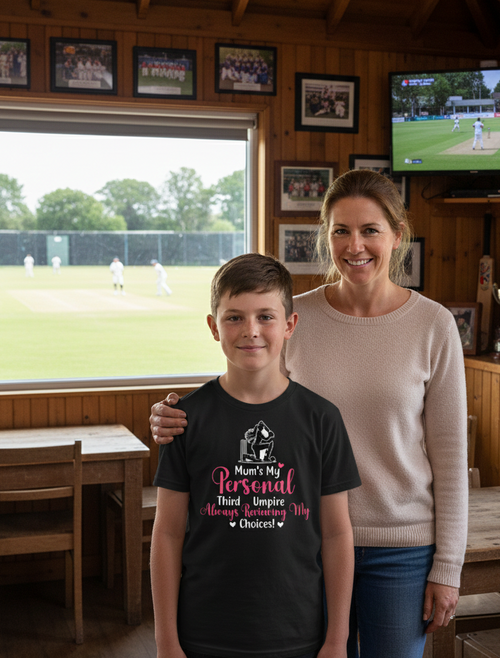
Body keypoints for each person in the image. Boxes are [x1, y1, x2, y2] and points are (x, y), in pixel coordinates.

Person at [149, 169, 468, 658]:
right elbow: (244, 388)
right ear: (326, 236)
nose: (354, 245)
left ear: (397, 236)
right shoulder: (294, 316)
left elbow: (450, 457)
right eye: (341, 230)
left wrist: (447, 565)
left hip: (401, 549)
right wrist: (172, 415)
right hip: (303, 543)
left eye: (370, 230)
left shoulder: (433, 325)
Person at [151, 253, 361, 658]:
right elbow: (167, 533)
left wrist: (336, 640)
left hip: (298, 633)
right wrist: (166, 642)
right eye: (234, 317)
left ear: (289, 324)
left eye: (266, 316)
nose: (251, 331)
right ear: (214, 327)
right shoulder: (184, 419)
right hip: (203, 635)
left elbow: (336, 534)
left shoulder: (321, 419)